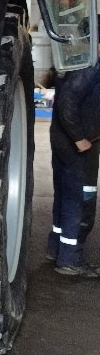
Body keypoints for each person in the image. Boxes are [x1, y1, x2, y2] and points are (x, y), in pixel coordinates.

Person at [48, 52, 100, 277]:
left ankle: (56, 249)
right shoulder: (90, 68)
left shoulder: (76, 60)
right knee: (80, 199)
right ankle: (71, 260)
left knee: (65, 195)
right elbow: (67, 101)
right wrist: (80, 139)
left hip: (63, 141)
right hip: (77, 146)